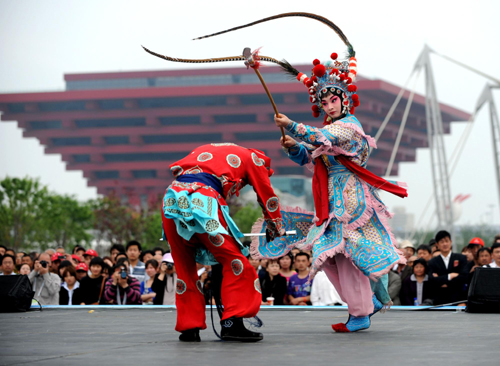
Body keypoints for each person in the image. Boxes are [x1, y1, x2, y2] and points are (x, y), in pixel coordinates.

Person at [273, 51, 407, 332]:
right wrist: (292, 146)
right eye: (324, 102)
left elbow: (323, 138)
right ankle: (367, 302)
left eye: (333, 100)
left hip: (351, 201)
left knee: (347, 255)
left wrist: (292, 126)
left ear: (345, 100)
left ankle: (361, 312)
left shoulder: (349, 127)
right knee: (327, 254)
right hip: (330, 202)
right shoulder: (328, 129)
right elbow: (310, 155)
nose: (328, 106)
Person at [161, 143, 284, 342]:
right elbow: (267, 196)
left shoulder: (210, 149)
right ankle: (232, 323)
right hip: (203, 200)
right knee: (235, 261)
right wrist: (275, 228)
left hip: (172, 198)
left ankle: (189, 327)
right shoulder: (252, 159)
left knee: (184, 267)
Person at [427, 231, 468, 305]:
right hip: (439, 301)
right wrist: (450, 276)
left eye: (446, 241)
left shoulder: (461, 258)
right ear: (437, 245)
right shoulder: (432, 262)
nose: (445, 244)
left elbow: (464, 277)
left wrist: (442, 281)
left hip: (458, 301)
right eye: (442, 242)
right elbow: (432, 281)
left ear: (450, 242)